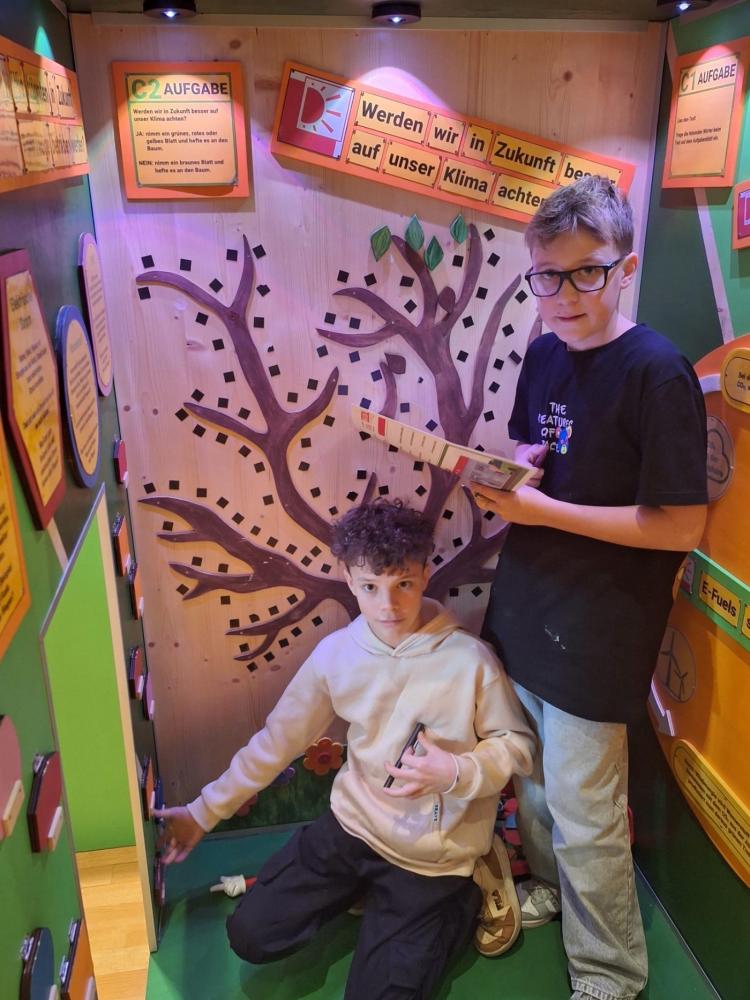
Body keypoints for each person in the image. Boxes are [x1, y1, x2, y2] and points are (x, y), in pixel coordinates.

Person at [475, 175, 708, 1000]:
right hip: (529, 602)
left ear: (626, 268)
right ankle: (549, 888)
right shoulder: (544, 352)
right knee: (535, 783)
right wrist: (518, 472)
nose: (564, 295)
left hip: (603, 624)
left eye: (587, 272)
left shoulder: (658, 373)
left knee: (585, 808)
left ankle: (609, 969)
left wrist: (542, 510)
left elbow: (680, 526)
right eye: (547, 276)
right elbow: (536, 447)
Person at [155, 499, 535, 999]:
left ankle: (469, 889)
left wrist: (457, 772)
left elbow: (518, 746)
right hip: (353, 827)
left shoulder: (470, 660)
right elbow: (277, 741)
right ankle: (361, 888)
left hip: (433, 857)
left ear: (425, 574)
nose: (388, 605)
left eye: (404, 584)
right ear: (349, 580)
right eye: (371, 587)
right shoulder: (336, 655)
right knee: (250, 934)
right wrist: (203, 812)